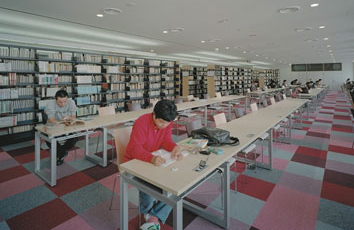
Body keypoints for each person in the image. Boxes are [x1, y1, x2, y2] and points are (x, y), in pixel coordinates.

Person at [124, 99, 183, 230]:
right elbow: (135, 149)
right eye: (161, 122)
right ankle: (150, 216)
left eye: (167, 123)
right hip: (134, 161)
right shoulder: (142, 122)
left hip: (155, 158)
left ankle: (151, 216)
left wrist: (174, 147)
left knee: (177, 186)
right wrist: (151, 158)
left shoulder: (167, 122)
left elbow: (166, 140)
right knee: (149, 186)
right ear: (154, 115)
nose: (164, 126)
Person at [45, 89, 78, 165]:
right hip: (53, 127)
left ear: (67, 99)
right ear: (55, 100)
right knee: (51, 140)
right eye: (60, 102)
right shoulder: (50, 104)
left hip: (66, 127)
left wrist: (70, 119)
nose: (63, 104)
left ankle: (61, 153)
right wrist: (63, 122)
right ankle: (62, 154)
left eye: (65, 101)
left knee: (75, 138)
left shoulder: (71, 102)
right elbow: (51, 119)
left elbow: (73, 116)